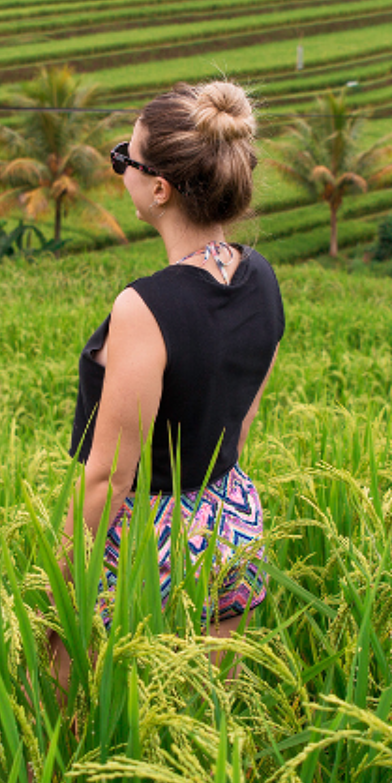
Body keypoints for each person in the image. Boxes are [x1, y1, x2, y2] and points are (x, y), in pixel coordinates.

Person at [53, 80, 283, 693]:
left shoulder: (144, 308)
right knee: (207, 721)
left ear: (158, 187)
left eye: (123, 157)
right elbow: (240, 419)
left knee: (82, 712)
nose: (118, 166)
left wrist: (60, 582)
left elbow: (110, 478)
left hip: (150, 540)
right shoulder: (262, 278)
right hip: (231, 522)